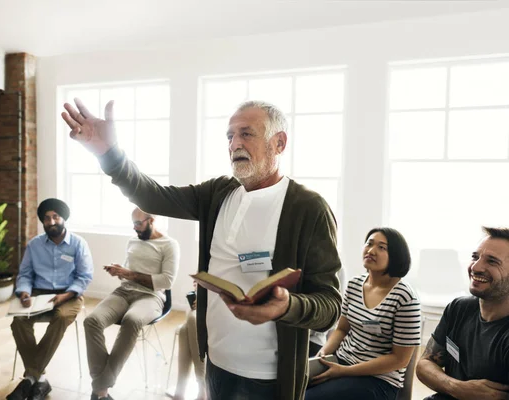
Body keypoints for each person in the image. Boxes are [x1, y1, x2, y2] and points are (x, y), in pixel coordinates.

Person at [62, 98, 342, 400]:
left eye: (246, 133)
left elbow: (330, 307)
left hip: (270, 379)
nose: (234, 143)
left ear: (279, 143)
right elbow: (151, 196)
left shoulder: (309, 209)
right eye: (229, 136)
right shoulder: (218, 193)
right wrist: (110, 154)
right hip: (215, 365)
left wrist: (288, 306)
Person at [305, 227, 421, 400]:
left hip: (377, 380)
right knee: (291, 386)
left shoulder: (405, 297)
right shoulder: (354, 285)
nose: (371, 250)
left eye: (382, 247)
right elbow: (342, 329)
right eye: (369, 243)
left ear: (396, 255)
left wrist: (345, 372)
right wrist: (323, 355)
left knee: (308, 397)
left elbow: (400, 360)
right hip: (341, 363)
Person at [84, 207, 179, 400]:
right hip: (124, 292)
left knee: (132, 320)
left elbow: (166, 281)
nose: (135, 228)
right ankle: (102, 389)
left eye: (138, 223)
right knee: (91, 321)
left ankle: (100, 389)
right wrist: (119, 270)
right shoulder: (132, 241)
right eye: (133, 223)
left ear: (151, 221)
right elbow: (129, 272)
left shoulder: (169, 245)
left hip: (150, 297)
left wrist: (128, 274)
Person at [7, 198, 94, 400]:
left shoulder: (79, 244)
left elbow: (84, 277)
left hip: (70, 294)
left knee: (62, 317)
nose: (51, 222)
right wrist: (24, 292)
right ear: (43, 222)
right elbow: (26, 274)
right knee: (18, 321)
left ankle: (30, 377)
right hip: (38, 293)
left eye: (55, 217)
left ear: (63, 218)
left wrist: (65, 296)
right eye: (47, 218)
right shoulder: (35, 245)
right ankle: (41, 379)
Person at [416, 227, 509, 400]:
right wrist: (458, 388)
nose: (476, 267)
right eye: (475, 257)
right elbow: (424, 364)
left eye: (492, 261)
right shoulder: (459, 308)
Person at [173, 283, 205, 400]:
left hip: (223, 309)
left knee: (189, 322)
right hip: (203, 302)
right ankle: (199, 389)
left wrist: (207, 298)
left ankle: (198, 390)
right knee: (183, 330)